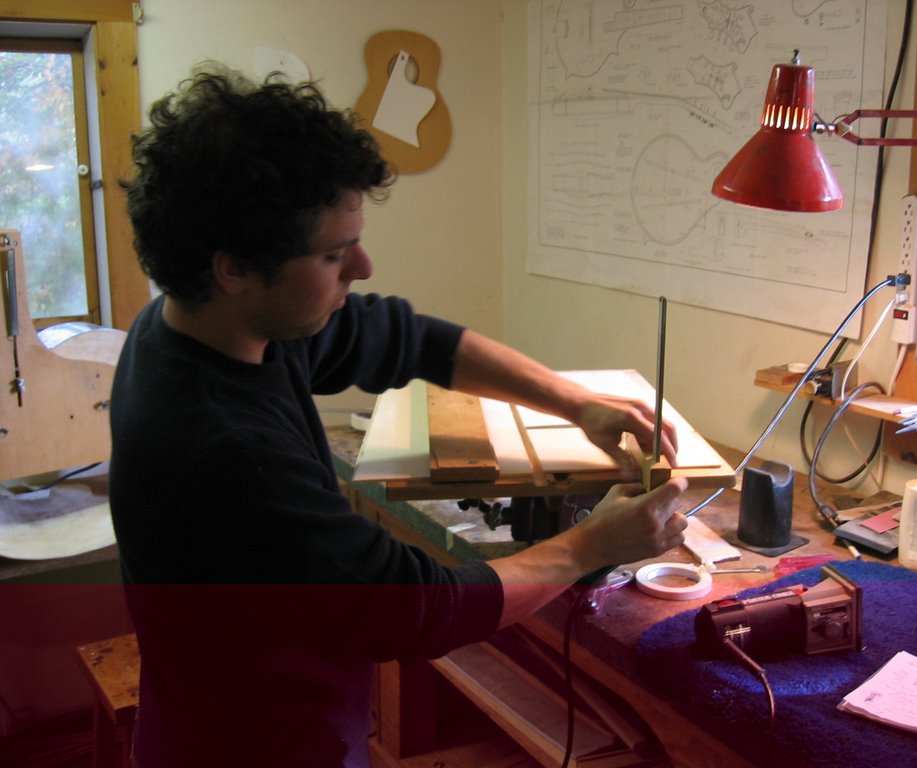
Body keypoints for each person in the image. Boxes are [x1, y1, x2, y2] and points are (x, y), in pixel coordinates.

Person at [109, 63, 689, 768]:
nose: (363, 266)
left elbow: (408, 339)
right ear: (233, 268)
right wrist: (590, 546)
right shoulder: (224, 450)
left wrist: (575, 402)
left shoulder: (199, 325)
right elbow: (417, 610)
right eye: (333, 254)